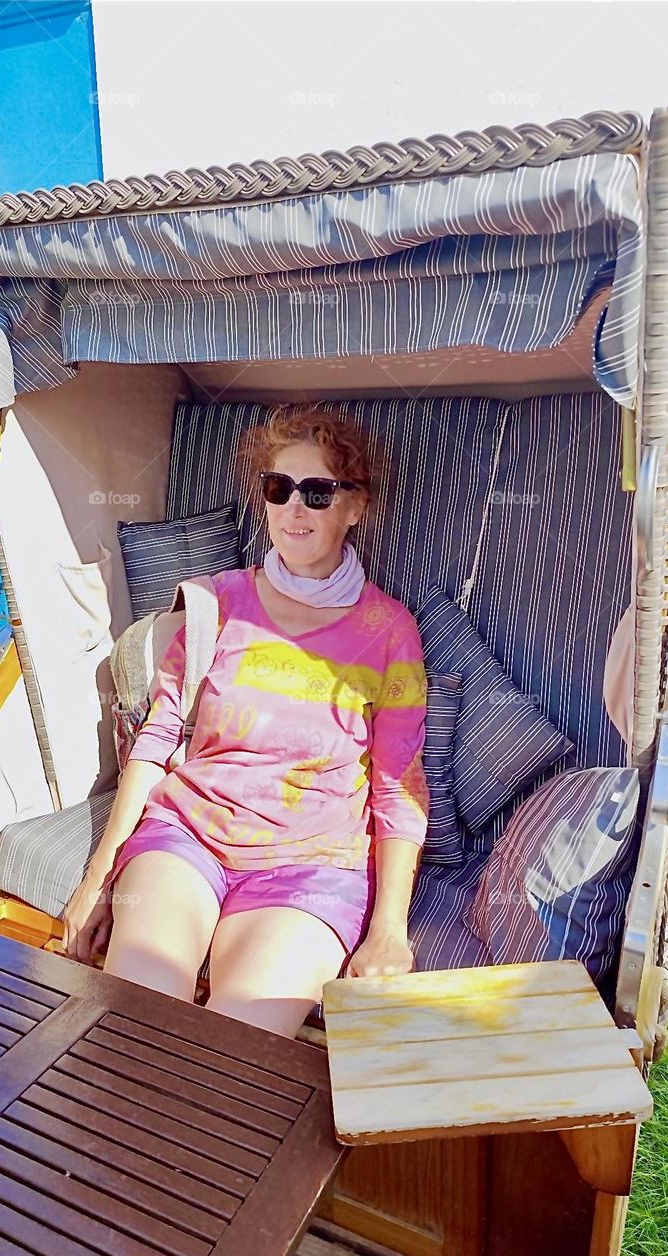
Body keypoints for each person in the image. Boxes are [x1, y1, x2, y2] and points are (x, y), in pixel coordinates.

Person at [62, 405, 430, 1038]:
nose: (294, 508)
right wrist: (99, 879)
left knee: (238, 1052)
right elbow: (157, 740)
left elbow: (399, 786)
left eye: (317, 493)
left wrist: (388, 929)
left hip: (312, 864)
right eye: (278, 488)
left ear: (355, 507)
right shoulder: (217, 602)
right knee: (136, 1021)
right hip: (187, 838)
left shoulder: (388, 631)